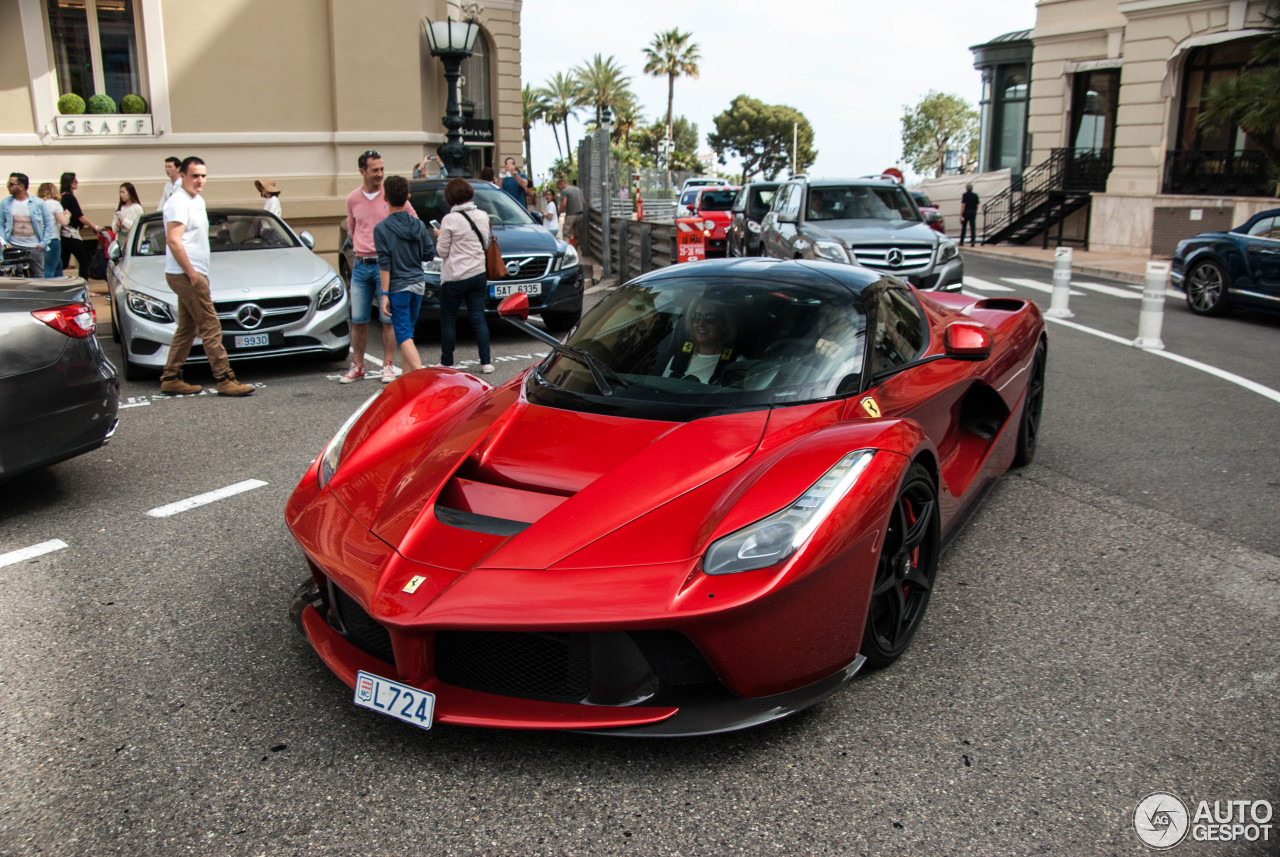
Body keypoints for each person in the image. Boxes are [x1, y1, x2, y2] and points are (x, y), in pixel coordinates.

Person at [159, 156, 254, 397]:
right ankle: (224, 378)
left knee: (187, 328)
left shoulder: (195, 200)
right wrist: (192, 274)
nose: (200, 180)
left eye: (203, 175)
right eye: (194, 176)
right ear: (182, 176)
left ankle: (170, 377)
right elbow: (173, 240)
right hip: (186, 273)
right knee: (210, 325)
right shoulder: (178, 202)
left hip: (192, 272)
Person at [340, 148, 417, 384]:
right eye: (375, 170)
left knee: (388, 319)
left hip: (387, 266)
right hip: (362, 265)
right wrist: (360, 247)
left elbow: (413, 220)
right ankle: (359, 365)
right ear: (362, 171)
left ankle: (388, 364)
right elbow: (352, 228)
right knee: (359, 319)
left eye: (382, 169)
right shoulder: (353, 198)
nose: (380, 174)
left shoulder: (391, 197)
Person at [374, 176, 435, 377]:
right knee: (408, 332)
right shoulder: (418, 225)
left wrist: (384, 294)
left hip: (398, 286)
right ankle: (407, 381)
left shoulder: (382, 229)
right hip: (418, 283)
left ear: (385, 197)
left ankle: (419, 375)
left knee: (403, 334)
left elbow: (385, 264)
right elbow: (428, 253)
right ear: (407, 196)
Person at [434, 177, 493, 373]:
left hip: (455, 276)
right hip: (478, 273)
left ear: (450, 197)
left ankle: (447, 361)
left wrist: (439, 236)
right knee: (478, 317)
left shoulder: (449, 220)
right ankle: (486, 362)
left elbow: (442, 252)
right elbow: (485, 245)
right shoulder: (483, 216)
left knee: (449, 320)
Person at [664, 298, 739, 383]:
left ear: (725, 326)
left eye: (710, 318)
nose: (701, 323)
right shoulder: (679, 357)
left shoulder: (735, 363)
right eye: (696, 317)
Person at [1, 173, 54, 278]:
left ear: (21, 186)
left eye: (11, 184)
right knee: (12, 277)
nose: (8, 186)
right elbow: (0, 223)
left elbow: (48, 223)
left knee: (39, 276)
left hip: (34, 246)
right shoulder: (6, 203)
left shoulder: (38, 203)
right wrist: (6, 243)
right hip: (14, 245)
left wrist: (43, 243)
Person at [59, 172, 98, 276]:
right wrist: (94, 227)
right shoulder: (70, 198)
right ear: (70, 183)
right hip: (71, 233)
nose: (77, 183)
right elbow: (80, 217)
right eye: (75, 181)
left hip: (63, 234)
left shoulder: (62, 197)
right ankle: (83, 284)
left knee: (63, 262)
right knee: (84, 261)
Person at [36, 182, 68, 276]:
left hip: (41, 239)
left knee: (58, 265)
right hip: (53, 238)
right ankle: (47, 288)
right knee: (49, 267)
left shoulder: (38, 204)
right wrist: (67, 215)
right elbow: (64, 222)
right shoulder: (55, 204)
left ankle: (59, 286)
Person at [557, 178, 583, 247]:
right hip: (580, 214)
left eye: (559, 188)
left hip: (570, 215)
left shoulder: (564, 191)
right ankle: (575, 251)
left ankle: (568, 251)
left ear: (562, 183)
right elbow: (583, 202)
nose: (559, 190)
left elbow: (564, 203)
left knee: (566, 234)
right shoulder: (577, 189)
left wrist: (559, 212)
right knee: (577, 235)